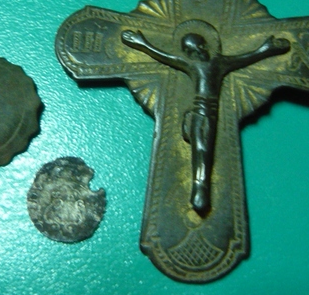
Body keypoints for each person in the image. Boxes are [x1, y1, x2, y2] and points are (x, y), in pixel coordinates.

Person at [122, 27, 290, 214]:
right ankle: (199, 189)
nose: (190, 54)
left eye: (191, 49)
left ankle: (202, 189)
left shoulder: (220, 62)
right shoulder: (191, 63)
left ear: (202, 46)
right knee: (199, 148)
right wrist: (142, 44)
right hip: (197, 113)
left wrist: (266, 49)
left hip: (210, 113)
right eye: (187, 51)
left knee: (204, 149)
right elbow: (166, 57)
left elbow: (246, 58)